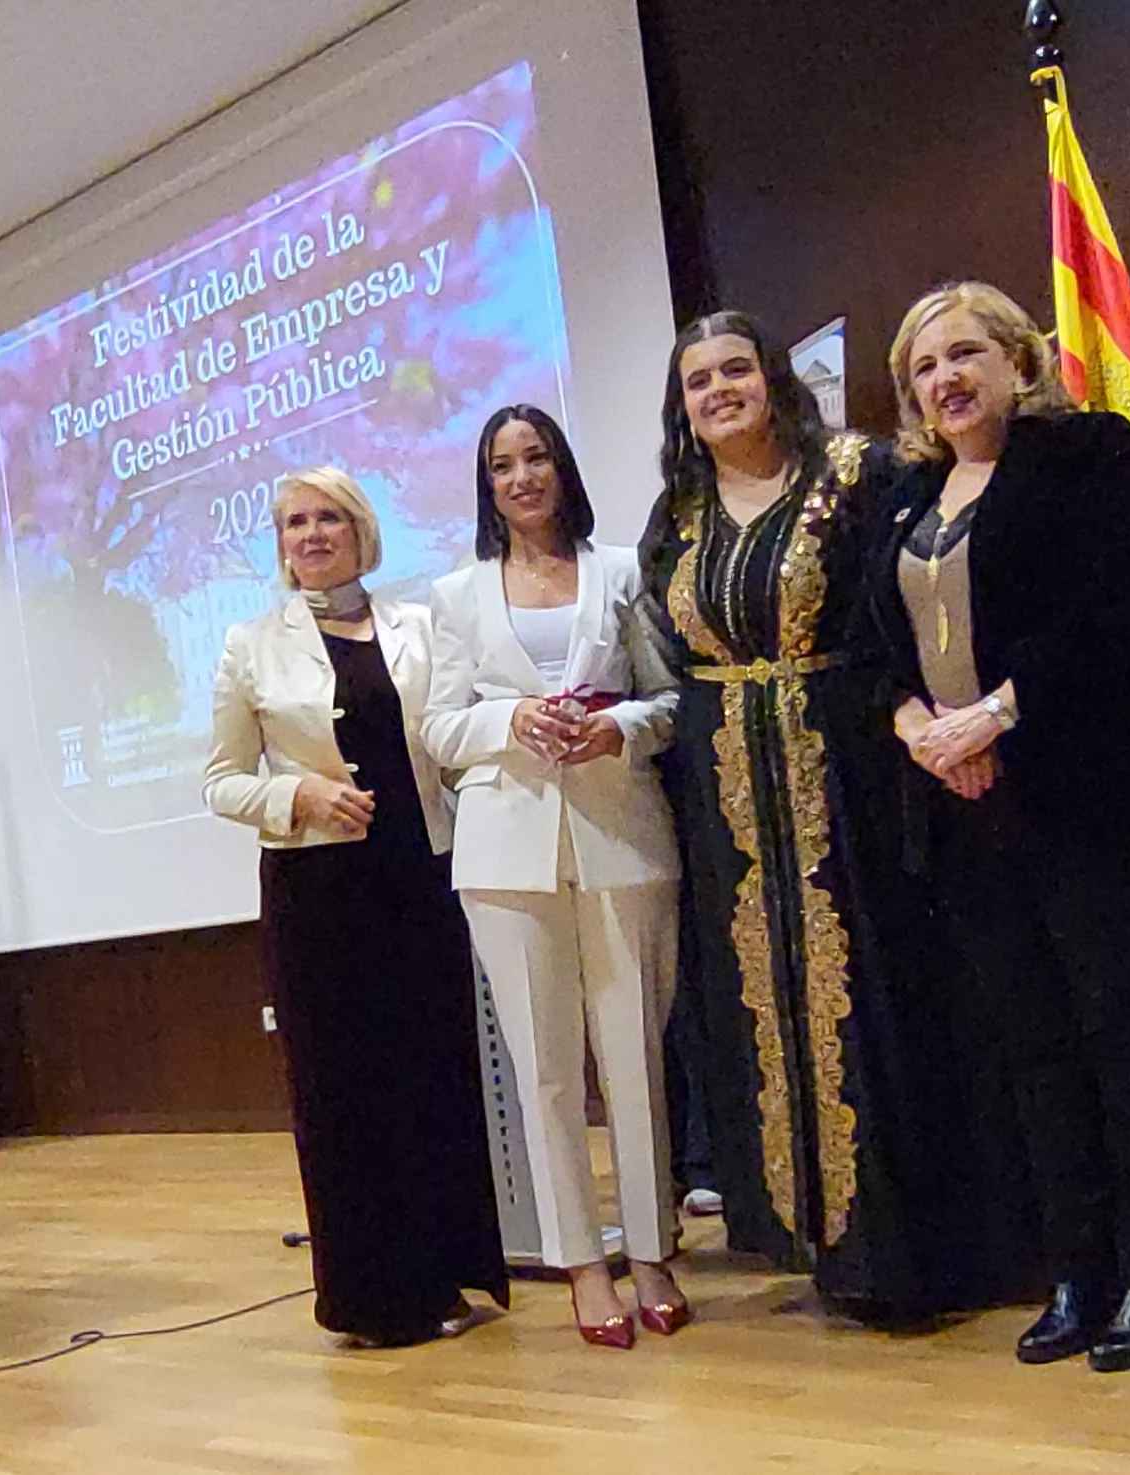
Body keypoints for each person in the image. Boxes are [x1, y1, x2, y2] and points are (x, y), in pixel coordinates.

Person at [638, 309, 1036, 1327]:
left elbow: (902, 616)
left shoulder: (855, 473)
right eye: (698, 381)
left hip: (854, 770)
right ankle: (821, 1244)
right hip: (728, 799)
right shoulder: (675, 515)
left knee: (879, 990)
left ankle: (916, 1249)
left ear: (773, 376)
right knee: (764, 1008)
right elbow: (670, 656)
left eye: (736, 368)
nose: (719, 390)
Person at [867, 281, 1130, 1372]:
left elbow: (1111, 609)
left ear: (1019, 360)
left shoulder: (1089, 452)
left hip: (1086, 792)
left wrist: (993, 718)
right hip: (961, 809)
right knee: (1032, 1047)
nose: (944, 379)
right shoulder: (904, 498)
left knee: (1117, 1031)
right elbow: (874, 645)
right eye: (923, 367)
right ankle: (1077, 1274)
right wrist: (920, 725)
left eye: (965, 354)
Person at [204, 465, 510, 1348]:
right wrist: (296, 795)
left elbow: (450, 737)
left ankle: (448, 1269)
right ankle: (375, 1298)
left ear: (361, 529)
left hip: (419, 879)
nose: (310, 534)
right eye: (294, 521)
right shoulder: (249, 643)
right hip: (319, 896)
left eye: (328, 517)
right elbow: (221, 780)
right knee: (347, 1097)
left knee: (431, 1073)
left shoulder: (420, 625)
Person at [422, 405, 688, 1348]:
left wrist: (619, 725)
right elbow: (441, 728)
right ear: (487, 485)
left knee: (634, 1060)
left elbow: (670, 697)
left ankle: (652, 1250)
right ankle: (583, 1265)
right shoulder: (454, 597)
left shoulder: (622, 571)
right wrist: (510, 723)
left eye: (536, 457)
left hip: (623, 835)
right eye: (503, 464)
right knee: (543, 1067)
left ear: (562, 468)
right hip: (504, 850)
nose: (522, 476)